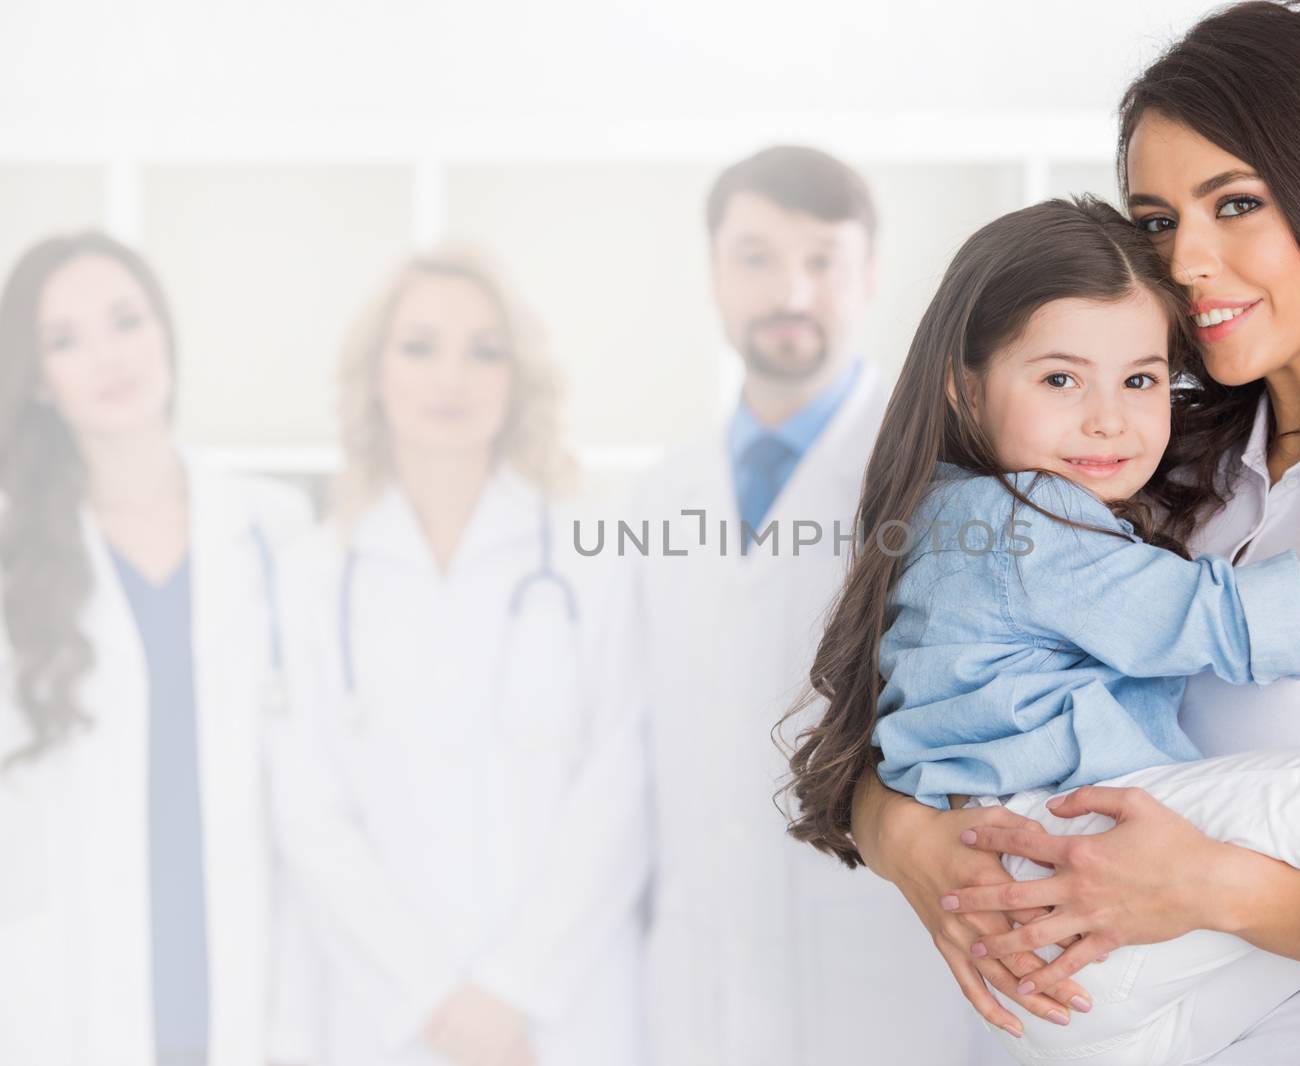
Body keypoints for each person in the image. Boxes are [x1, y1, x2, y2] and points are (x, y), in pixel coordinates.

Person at [845, 4, 1300, 1062]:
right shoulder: (1132, 461)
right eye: (1155, 221)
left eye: (1234, 203)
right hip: (1109, 1011)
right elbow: (917, 713)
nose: (1187, 260)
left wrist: (1198, 888)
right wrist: (914, 843)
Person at [631, 145, 1005, 1064]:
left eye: (822, 260)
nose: (790, 290)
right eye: (756, 257)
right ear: (714, 275)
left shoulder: (947, 478)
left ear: (869, 276)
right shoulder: (653, 501)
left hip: (884, 976)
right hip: (694, 989)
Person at [267, 245, 646, 1066]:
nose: (453, 377)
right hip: (392, 1016)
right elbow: (308, 809)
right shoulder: (316, 570)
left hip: (561, 1012)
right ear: (375, 373)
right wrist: (434, 1000)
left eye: (485, 350)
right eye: (419, 346)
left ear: (518, 380)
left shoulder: (590, 549)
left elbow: (624, 775)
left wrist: (512, 989)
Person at [0, 232, 314, 1066]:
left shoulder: (276, 532)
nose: (109, 356)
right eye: (64, 341)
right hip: (65, 987)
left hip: (252, 964)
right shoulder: (12, 554)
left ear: (166, 332)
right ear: (36, 382)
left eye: (126, 320)